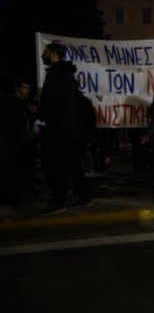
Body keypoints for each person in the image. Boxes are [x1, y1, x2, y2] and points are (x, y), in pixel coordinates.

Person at [38, 42, 93, 215]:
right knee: (71, 161)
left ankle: (59, 200)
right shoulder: (65, 73)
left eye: (46, 52)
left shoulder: (56, 74)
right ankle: (84, 196)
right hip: (66, 125)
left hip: (59, 126)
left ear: (54, 55)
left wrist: (41, 114)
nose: (44, 54)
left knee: (59, 164)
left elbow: (53, 103)